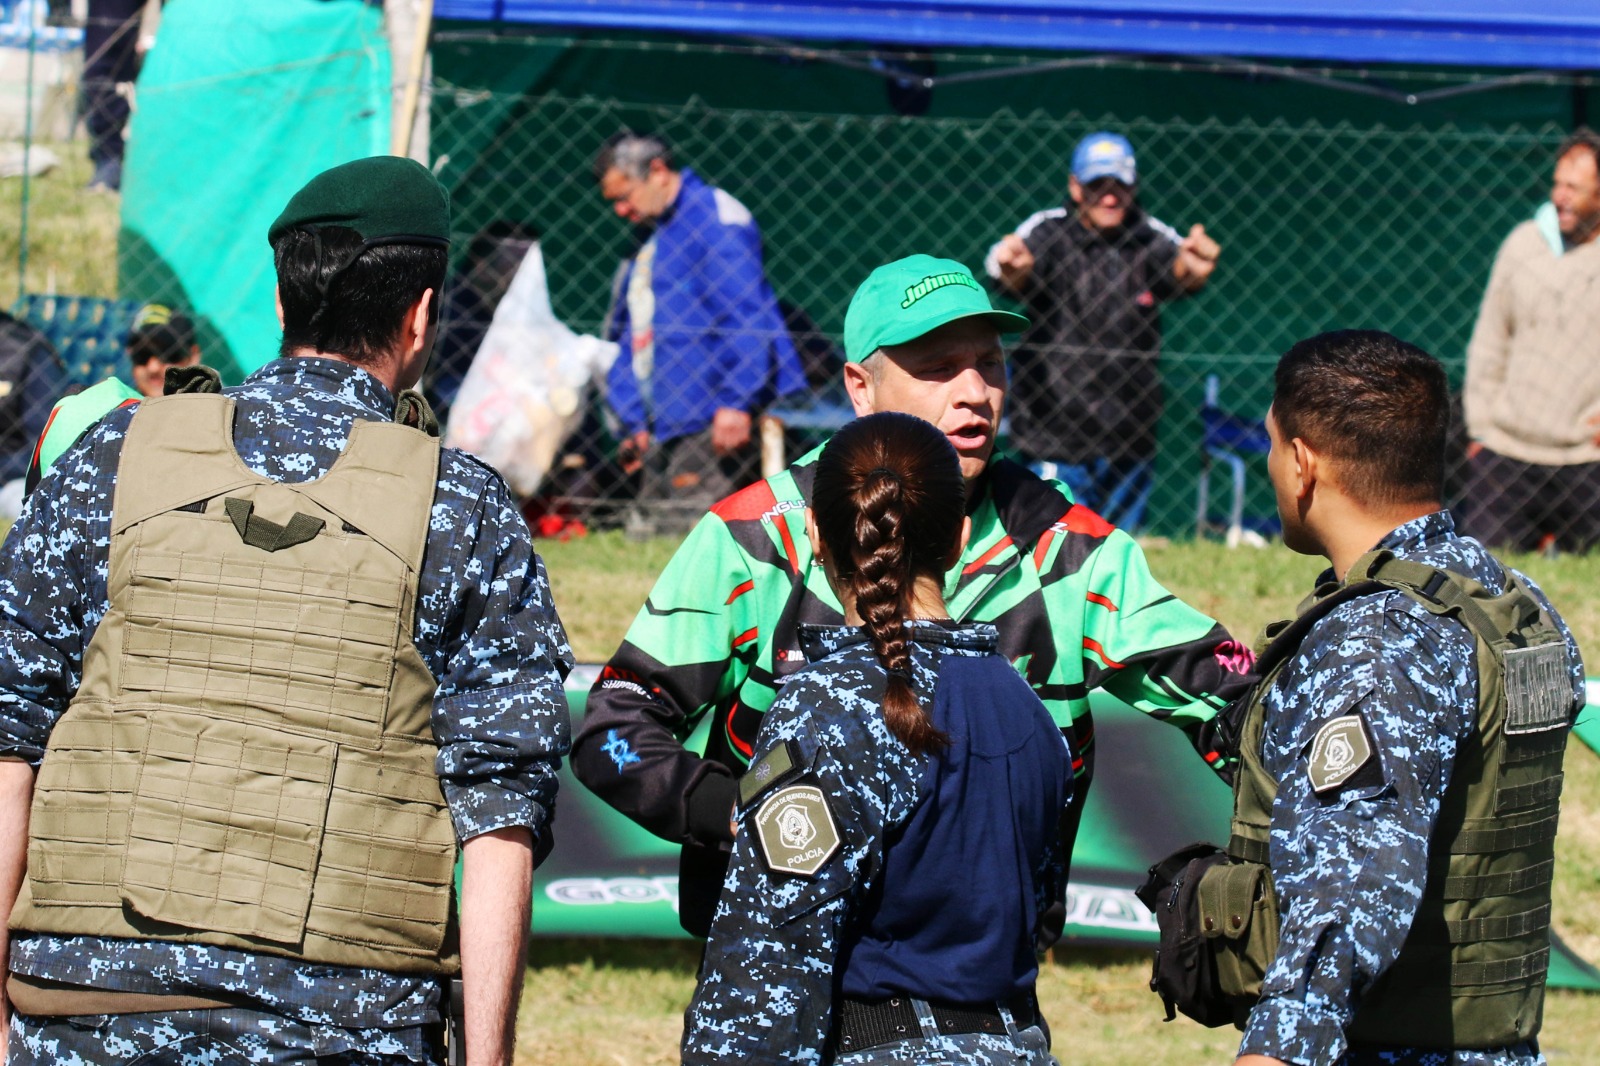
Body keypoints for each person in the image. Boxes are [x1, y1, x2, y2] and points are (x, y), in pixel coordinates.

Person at [0, 156, 574, 1065]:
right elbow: (499, 815)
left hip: (89, 1008)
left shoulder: (110, 456)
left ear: (279, 301)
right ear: (420, 317)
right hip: (348, 1029)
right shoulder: (460, 508)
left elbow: (9, 738)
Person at [573, 253, 1254, 937]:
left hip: (979, 985)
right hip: (777, 966)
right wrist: (754, 815)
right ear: (860, 387)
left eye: (990, 363)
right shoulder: (755, 537)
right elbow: (613, 733)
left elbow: (1239, 704)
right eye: (937, 367)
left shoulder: (1067, 550)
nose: (974, 391)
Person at [1231, 330, 1582, 1066]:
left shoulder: (1380, 637)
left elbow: (1356, 879)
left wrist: (1277, 1050)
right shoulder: (1508, 602)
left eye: (1270, 444)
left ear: (1302, 464)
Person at [681, 411, 1071, 1064]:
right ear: (959, 539)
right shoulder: (1031, 710)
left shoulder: (827, 707)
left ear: (814, 534)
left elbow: (766, 970)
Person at [985, 131, 1220, 530]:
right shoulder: (1047, 231)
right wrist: (1013, 269)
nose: (1110, 197)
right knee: (1050, 549)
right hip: (1053, 433)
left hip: (1130, 435)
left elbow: (1179, 271)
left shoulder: (1152, 236)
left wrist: (1193, 271)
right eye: (1097, 186)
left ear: (1134, 187)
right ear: (1075, 188)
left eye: (1120, 186)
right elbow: (1010, 269)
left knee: (1119, 553)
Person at [594, 131, 805, 526]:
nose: (621, 210)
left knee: (689, 532)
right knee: (648, 532)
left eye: (626, 196)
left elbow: (745, 315)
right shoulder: (651, 235)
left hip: (711, 415)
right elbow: (629, 330)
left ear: (657, 171)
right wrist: (633, 419)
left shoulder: (715, 218)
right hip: (663, 416)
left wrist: (737, 401)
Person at [1461, 128, 1600, 553]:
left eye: (1573, 188)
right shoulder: (1523, 245)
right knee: (1478, 574)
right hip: (1508, 450)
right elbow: (1489, 341)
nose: (1559, 196)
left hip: (1587, 456)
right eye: (1557, 184)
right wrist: (1482, 425)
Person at [24, 302, 204, 495]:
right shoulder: (105, 414)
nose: (153, 367)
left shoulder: (220, 416)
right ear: (129, 354)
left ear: (193, 355)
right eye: (142, 355)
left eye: (167, 353)